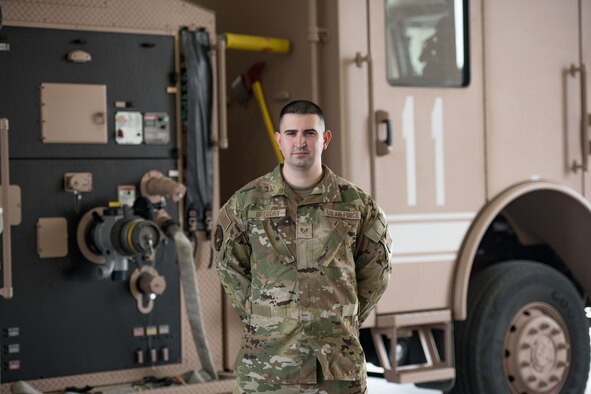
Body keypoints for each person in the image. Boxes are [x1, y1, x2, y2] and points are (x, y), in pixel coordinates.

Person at [213, 100, 392, 393]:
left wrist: (339, 317)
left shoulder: (357, 204)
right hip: (268, 369)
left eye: (309, 133)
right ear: (279, 140)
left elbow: (376, 271)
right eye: (292, 133)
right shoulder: (246, 203)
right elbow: (229, 267)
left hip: (336, 368)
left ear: (325, 139)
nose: (300, 142)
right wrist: (265, 317)